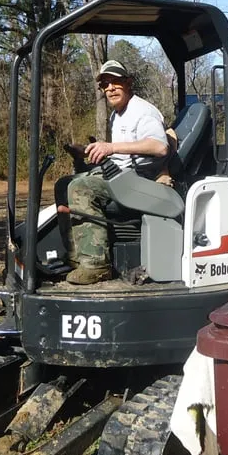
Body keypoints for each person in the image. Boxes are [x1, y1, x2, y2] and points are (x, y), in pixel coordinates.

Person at [62, 59, 169, 285]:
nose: (110, 88)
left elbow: (159, 147)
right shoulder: (117, 114)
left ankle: (97, 266)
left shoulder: (143, 111)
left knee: (81, 188)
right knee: (64, 183)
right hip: (123, 176)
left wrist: (110, 147)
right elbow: (121, 153)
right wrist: (89, 152)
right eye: (105, 84)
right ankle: (78, 256)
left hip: (142, 182)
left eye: (115, 82)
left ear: (128, 83)